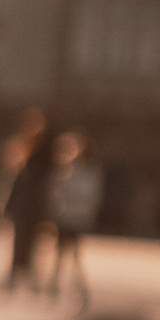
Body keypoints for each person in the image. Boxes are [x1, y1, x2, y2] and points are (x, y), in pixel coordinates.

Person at [43, 130, 103, 303]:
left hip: (75, 218)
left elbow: (89, 196)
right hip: (66, 217)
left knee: (71, 254)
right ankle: (56, 286)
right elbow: (55, 193)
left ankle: (71, 287)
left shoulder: (86, 173)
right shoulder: (67, 171)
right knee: (61, 253)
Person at [0, 111, 52, 290]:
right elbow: (10, 181)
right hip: (21, 204)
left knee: (34, 244)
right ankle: (12, 278)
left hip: (35, 205)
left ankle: (30, 279)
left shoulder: (45, 155)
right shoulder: (19, 150)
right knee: (15, 242)